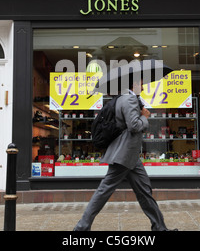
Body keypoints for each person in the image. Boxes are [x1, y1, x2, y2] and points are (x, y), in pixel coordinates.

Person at [74, 78, 175, 231]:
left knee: (144, 191)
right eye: (140, 83)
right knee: (104, 190)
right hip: (124, 154)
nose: (142, 85)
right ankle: (81, 227)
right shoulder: (129, 99)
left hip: (130, 155)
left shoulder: (124, 99)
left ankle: (160, 228)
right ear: (133, 84)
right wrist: (145, 117)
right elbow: (134, 126)